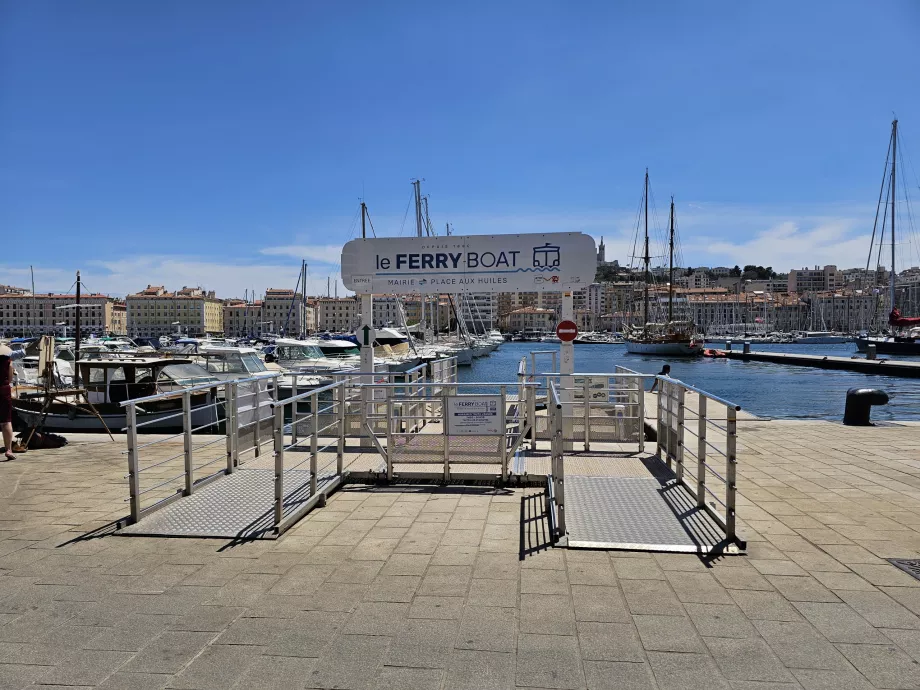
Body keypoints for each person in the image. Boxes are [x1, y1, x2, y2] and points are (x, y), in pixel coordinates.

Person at [0, 344, 15, 461]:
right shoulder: (8, 359)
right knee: (6, 421)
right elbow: (10, 379)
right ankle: (8, 449)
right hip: (3, 389)